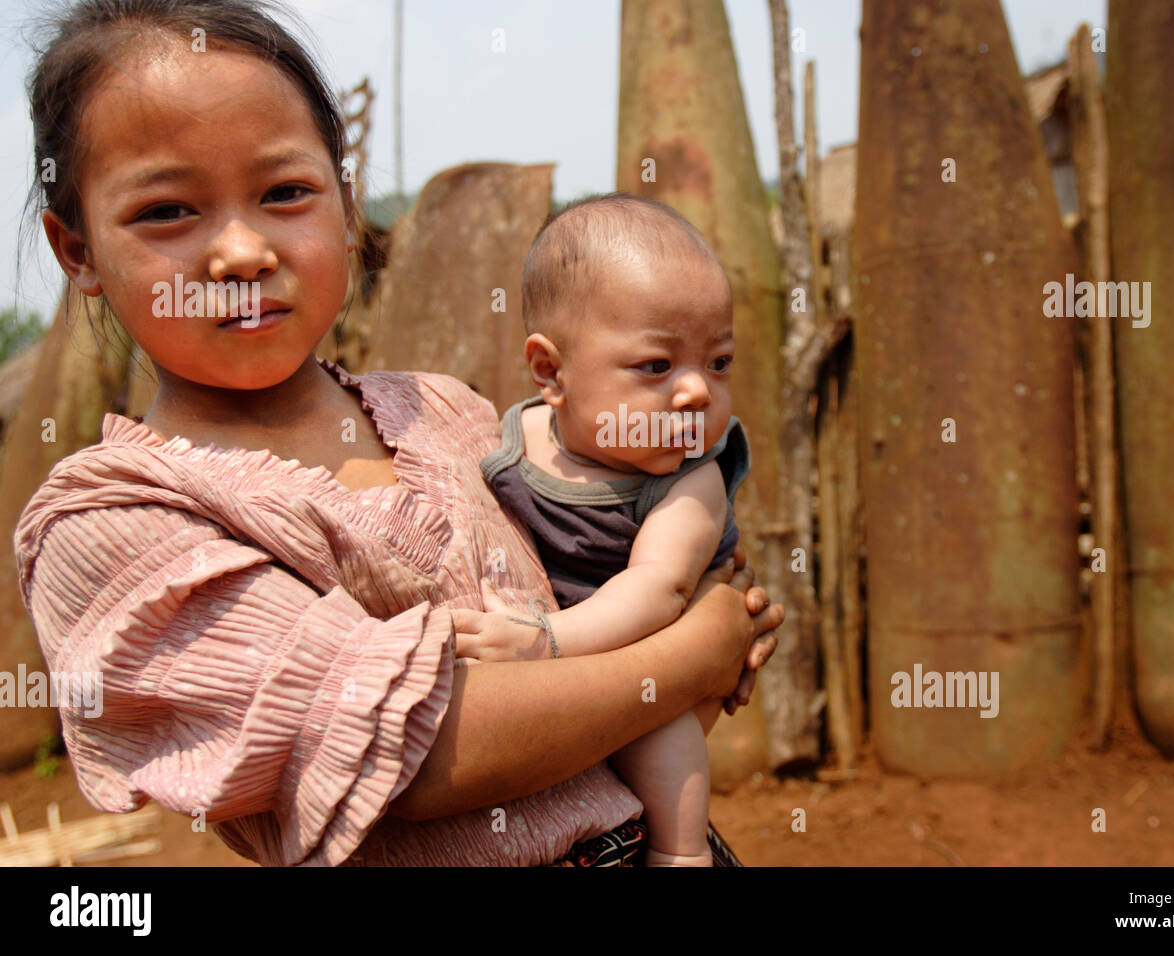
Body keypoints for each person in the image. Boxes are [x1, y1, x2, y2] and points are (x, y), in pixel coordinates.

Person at [12, 0, 782, 867]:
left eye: (285, 193)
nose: (239, 254)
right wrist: (696, 650)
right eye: (166, 212)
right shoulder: (109, 521)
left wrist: (698, 635)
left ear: (345, 205)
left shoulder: (447, 413)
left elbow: (619, 655)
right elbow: (420, 755)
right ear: (75, 250)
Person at [454, 194, 748, 866]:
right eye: (657, 366)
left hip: (650, 653)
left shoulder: (688, 478)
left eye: (720, 362)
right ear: (551, 373)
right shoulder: (509, 437)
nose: (698, 392)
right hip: (553, 673)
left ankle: (682, 852)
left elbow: (661, 588)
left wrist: (548, 642)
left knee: (658, 733)